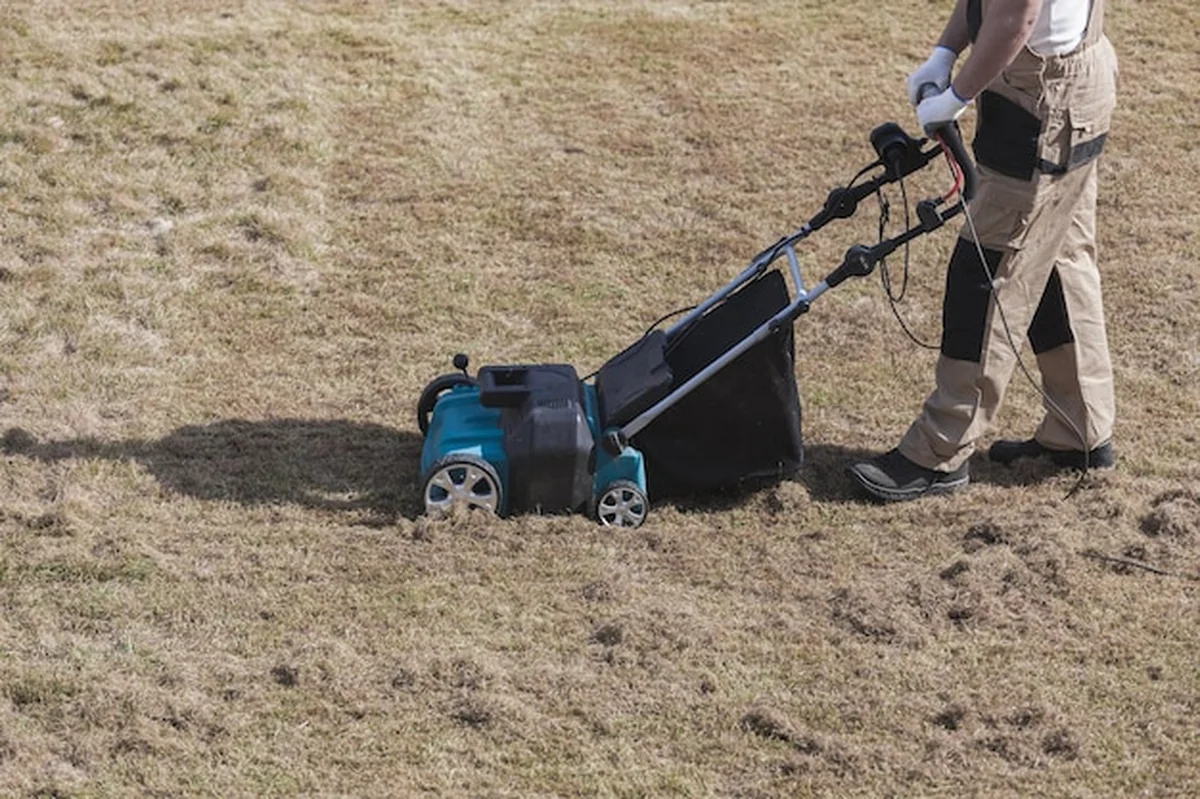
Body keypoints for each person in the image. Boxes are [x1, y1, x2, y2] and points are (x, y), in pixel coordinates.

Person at [847, 0, 1119, 502]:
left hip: (1044, 103)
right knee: (1058, 257)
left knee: (988, 272)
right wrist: (945, 51)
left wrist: (956, 93)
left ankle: (939, 452)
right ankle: (1080, 427)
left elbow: (1017, 19)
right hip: (1064, 86)